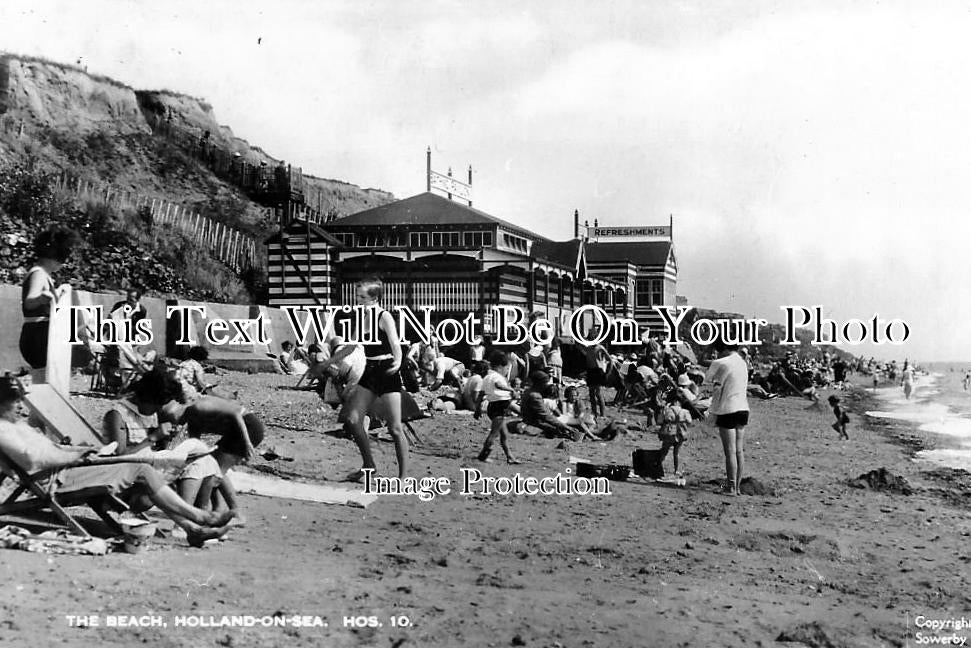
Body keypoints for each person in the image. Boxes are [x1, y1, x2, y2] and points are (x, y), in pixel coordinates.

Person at [0, 378, 233, 546]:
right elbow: (33, 460)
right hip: (57, 479)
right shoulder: (3, 430)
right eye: (15, 402)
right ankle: (198, 518)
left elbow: (48, 451)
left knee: (143, 473)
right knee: (141, 470)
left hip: (65, 469)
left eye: (21, 400)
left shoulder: (15, 426)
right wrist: (75, 455)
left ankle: (193, 528)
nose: (21, 406)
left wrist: (79, 450)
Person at [340, 278, 408, 481]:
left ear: (374, 298)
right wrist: (328, 363)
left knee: (395, 428)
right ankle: (368, 465)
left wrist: (398, 362)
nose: (358, 300)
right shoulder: (361, 317)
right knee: (352, 419)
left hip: (387, 370)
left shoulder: (384, 316)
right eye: (357, 296)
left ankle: (403, 478)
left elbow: (395, 343)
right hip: (370, 369)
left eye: (362, 297)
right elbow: (351, 346)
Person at [19, 225, 81, 382]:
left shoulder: (43, 275)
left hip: (38, 332)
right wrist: (41, 298)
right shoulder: (39, 273)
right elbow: (29, 302)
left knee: (44, 378)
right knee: (46, 380)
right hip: (39, 334)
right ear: (54, 256)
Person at [705, 340, 750, 496]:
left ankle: (731, 488)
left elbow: (714, 387)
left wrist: (712, 412)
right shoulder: (743, 363)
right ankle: (736, 487)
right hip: (743, 408)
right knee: (738, 451)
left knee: (729, 451)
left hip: (728, 409)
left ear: (723, 348)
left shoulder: (721, 363)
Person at [475, 352, 520, 463]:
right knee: (494, 434)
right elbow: (498, 385)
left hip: (493, 406)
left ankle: (509, 456)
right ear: (500, 367)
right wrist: (512, 390)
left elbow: (481, 394)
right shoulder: (497, 377)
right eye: (507, 368)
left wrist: (478, 409)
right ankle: (483, 456)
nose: (506, 371)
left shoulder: (487, 377)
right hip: (500, 407)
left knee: (504, 434)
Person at [519, 371, 578, 440]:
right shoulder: (535, 396)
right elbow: (546, 416)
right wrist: (566, 427)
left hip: (529, 420)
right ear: (540, 383)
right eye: (545, 383)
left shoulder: (528, 391)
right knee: (560, 430)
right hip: (534, 422)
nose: (546, 385)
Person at [583, 334, 610, 419]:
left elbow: (609, 359)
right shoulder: (588, 348)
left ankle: (602, 414)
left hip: (598, 371)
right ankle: (594, 412)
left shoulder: (600, 348)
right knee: (591, 394)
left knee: (598, 393)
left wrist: (607, 372)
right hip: (591, 371)